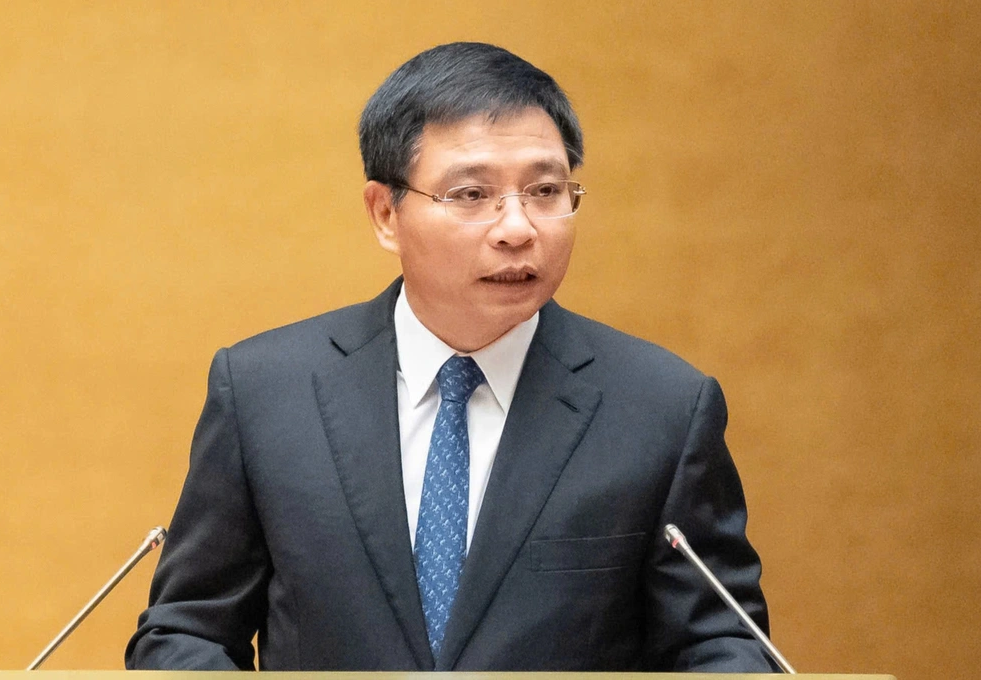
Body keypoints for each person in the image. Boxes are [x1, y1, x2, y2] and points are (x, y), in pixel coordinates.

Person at [126, 42, 777, 673]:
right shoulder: (266, 393)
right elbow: (187, 630)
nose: (517, 228)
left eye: (546, 191)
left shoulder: (662, 408)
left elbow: (721, 644)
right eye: (471, 195)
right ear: (385, 213)